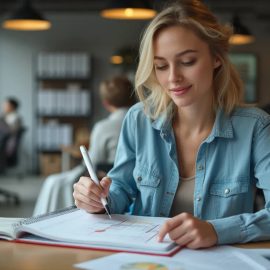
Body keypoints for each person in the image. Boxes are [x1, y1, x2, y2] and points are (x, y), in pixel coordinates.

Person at [73, 0, 270, 249]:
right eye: (161, 66)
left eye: (187, 62)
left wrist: (216, 231)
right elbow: (120, 188)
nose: (173, 78)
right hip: (144, 259)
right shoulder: (138, 119)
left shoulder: (256, 128)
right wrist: (97, 199)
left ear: (217, 58)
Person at [33, 75, 136, 215]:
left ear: (105, 103)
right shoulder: (144, 122)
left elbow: (92, 161)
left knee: (55, 182)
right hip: (126, 183)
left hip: (107, 179)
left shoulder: (104, 126)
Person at [0, 97, 22, 172]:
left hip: (8, 142)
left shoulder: (16, 118)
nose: (4, 107)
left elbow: (12, 132)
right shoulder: (4, 116)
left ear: (12, 106)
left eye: (6, 105)